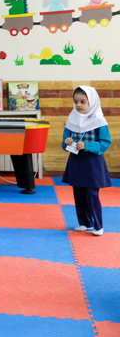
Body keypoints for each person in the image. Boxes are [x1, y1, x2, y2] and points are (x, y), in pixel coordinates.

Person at [62, 85, 111, 236]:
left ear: (92, 102)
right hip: (76, 162)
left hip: (93, 164)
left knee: (91, 193)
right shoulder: (72, 119)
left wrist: (88, 145)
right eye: (76, 102)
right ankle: (84, 222)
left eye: (83, 102)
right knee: (78, 193)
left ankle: (98, 225)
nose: (78, 105)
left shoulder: (99, 121)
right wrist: (67, 142)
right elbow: (64, 142)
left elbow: (105, 142)